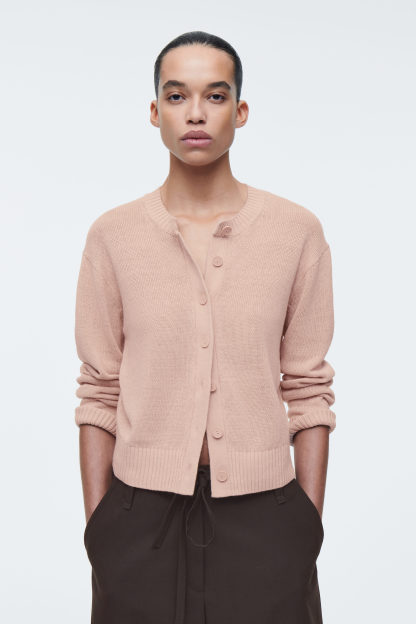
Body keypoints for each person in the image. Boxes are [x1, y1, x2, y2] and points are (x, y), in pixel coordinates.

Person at [74, 30, 336, 624]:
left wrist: (305, 527)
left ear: (240, 112)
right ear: (155, 112)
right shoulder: (114, 237)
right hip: (137, 518)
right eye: (177, 96)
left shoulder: (295, 232)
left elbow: (308, 388)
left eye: (215, 96)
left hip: (267, 516)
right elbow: (99, 388)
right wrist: (101, 531)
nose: (196, 113)